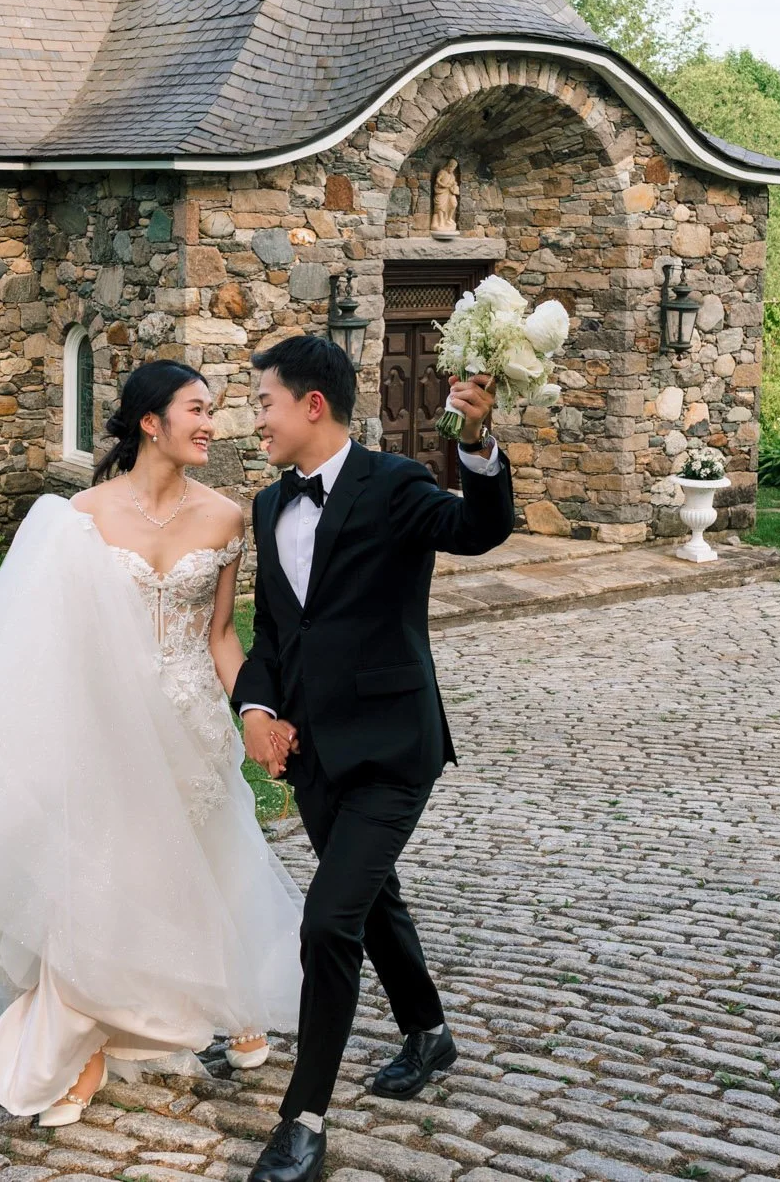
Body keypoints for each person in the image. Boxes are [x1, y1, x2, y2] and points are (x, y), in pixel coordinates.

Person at [0, 359, 302, 1128]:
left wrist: (252, 712)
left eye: (215, 410)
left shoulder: (227, 518)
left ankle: (230, 993)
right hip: (106, 719)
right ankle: (86, 1042)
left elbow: (220, 634)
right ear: (151, 421)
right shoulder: (79, 516)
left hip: (193, 720)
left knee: (209, 855)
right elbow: (46, 639)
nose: (212, 423)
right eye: (196, 410)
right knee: (103, 878)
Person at [235, 334, 513, 1182]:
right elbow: (282, 632)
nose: (256, 420)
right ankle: (427, 1033)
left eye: (263, 403)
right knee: (369, 896)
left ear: (312, 405)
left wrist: (474, 443)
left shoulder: (395, 484)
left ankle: (303, 1124)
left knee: (328, 920)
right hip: (314, 754)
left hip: (395, 748)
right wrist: (253, 706)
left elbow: (479, 527)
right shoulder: (267, 504)